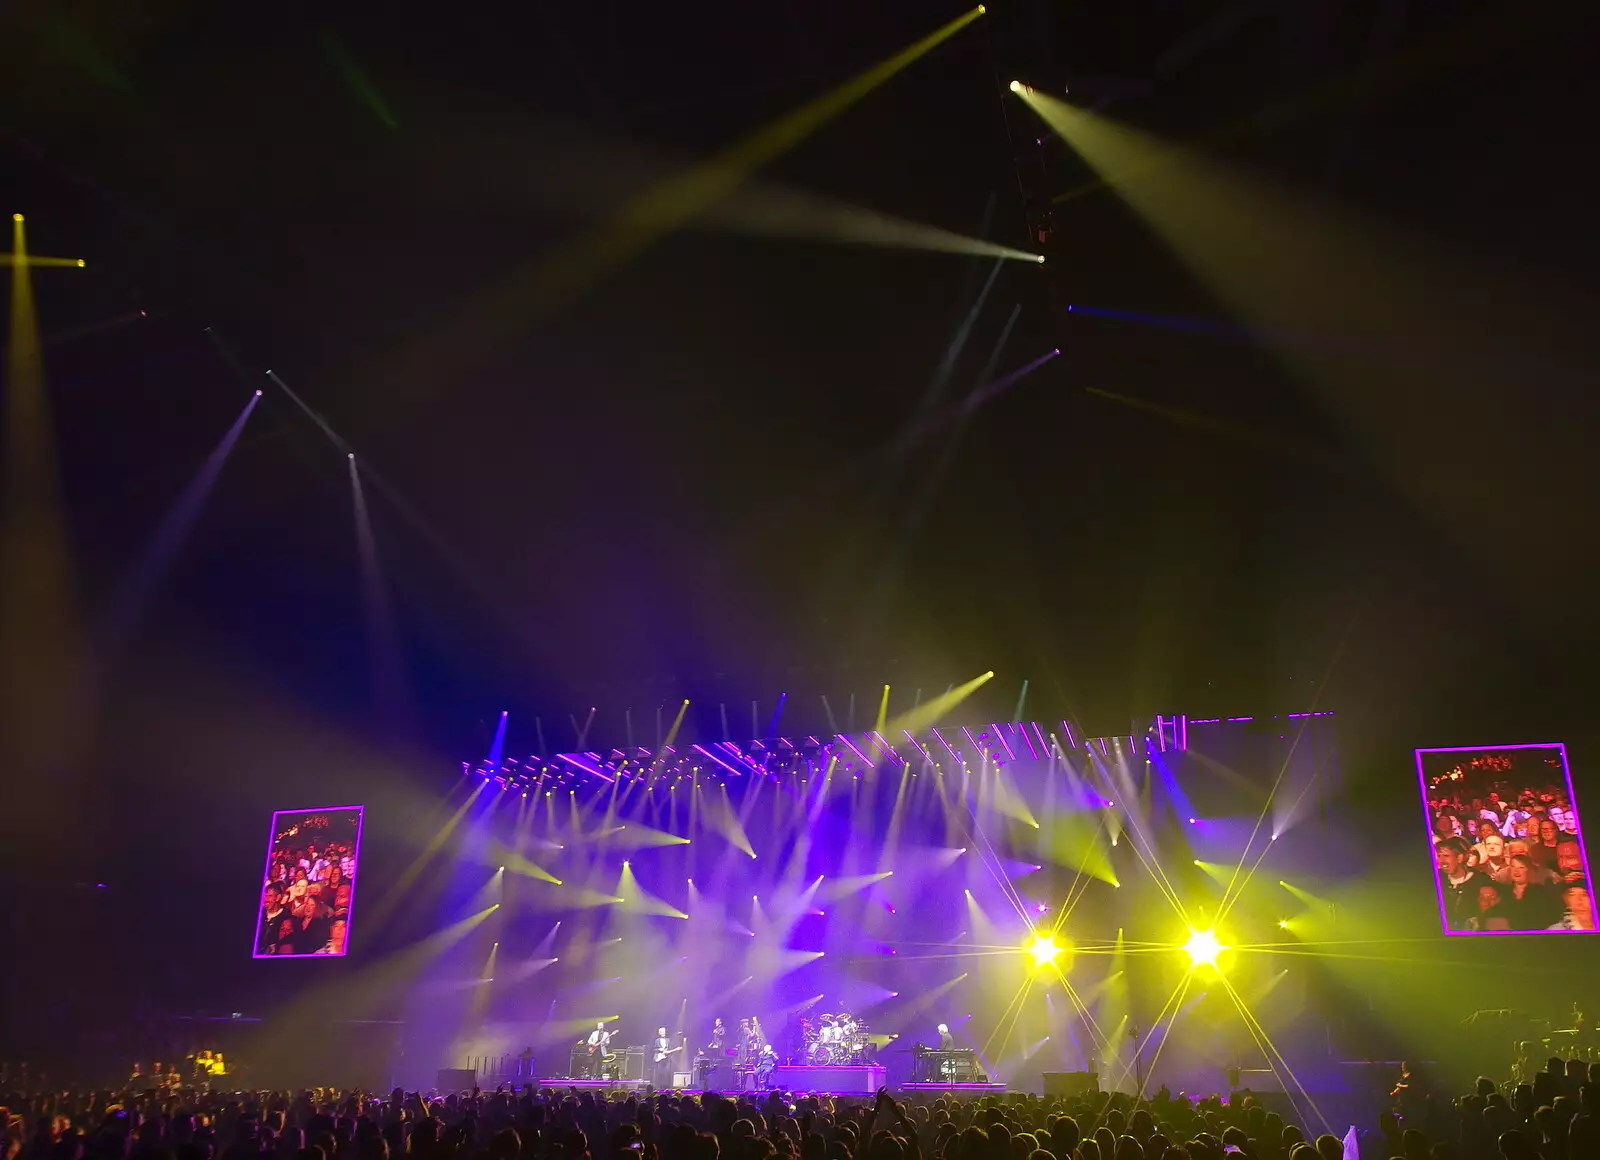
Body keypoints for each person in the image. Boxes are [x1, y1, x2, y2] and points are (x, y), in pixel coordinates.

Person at [1435, 838, 1488, 931]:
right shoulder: (1436, 880)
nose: (1441, 860)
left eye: (1446, 856)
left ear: (1459, 858)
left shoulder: (1481, 881)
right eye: (1439, 856)